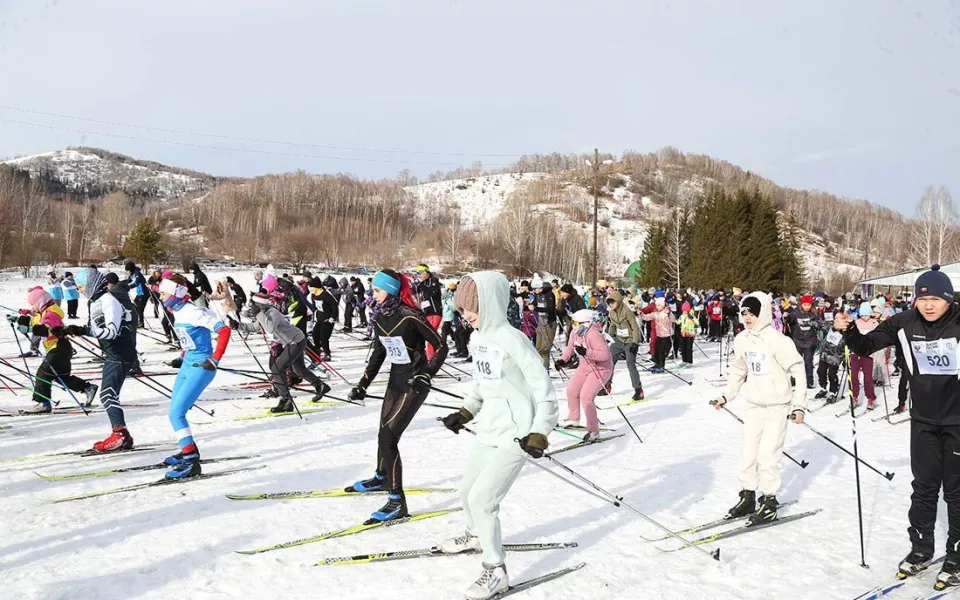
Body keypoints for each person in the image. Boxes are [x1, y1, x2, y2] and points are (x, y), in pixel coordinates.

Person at [835, 266, 960, 585]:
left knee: (957, 493)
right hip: (923, 421)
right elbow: (864, 346)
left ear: (948, 299)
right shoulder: (903, 323)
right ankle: (921, 550)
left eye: (935, 298)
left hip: (959, 422)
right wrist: (849, 330)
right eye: (923, 299)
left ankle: (957, 554)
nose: (929, 305)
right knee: (924, 488)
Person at [438, 272, 558, 600]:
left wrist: (540, 430)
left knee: (483, 499)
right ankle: (475, 535)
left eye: (472, 308)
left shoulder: (513, 338)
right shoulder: (478, 339)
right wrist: (466, 411)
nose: (467, 315)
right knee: (466, 492)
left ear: (490, 304)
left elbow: (542, 385)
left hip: (517, 433)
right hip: (489, 427)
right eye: (462, 310)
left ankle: (496, 570)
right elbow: (481, 382)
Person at [346, 269, 447, 522]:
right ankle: (381, 477)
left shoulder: (410, 316)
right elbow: (379, 354)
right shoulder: (381, 317)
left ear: (390, 290)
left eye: (377, 290)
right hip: (395, 380)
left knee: (389, 437)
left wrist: (428, 373)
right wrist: (362, 384)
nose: (373, 294)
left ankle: (396, 502)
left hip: (415, 382)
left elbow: (442, 346)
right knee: (383, 431)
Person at [713, 292, 807, 525]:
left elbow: (798, 370)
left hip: (777, 405)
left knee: (768, 455)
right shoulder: (742, 339)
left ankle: (769, 501)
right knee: (748, 454)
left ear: (763, 313)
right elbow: (738, 370)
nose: (747, 317)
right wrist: (727, 395)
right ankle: (748, 496)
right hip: (754, 403)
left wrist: (799, 405)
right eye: (744, 313)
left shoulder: (778, 340)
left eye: (752, 313)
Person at [158, 275, 231, 479]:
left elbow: (224, 330)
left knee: (176, 414)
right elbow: (191, 338)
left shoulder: (192, 311)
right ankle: (188, 450)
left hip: (202, 366)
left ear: (175, 293)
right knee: (175, 409)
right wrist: (182, 355)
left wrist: (215, 358)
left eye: (164, 293)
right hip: (189, 363)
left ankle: (191, 463)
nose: (161, 297)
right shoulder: (178, 310)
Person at [64, 267, 138, 452]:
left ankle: (120, 435)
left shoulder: (108, 301)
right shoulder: (95, 301)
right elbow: (95, 328)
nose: (78, 289)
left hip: (120, 353)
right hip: (113, 354)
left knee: (107, 395)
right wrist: (74, 330)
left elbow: (111, 332)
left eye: (81, 286)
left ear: (91, 284)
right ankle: (122, 435)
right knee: (108, 394)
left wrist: (84, 331)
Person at [230, 293, 330, 412]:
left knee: (277, 369)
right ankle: (320, 386)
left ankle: (286, 400)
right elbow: (255, 327)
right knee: (299, 370)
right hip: (291, 342)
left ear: (260, 305)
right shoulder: (264, 314)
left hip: (296, 341)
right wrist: (238, 325)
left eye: (253, 305)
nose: (251, 308)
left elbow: (270, 328)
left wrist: (258, 314)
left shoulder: (273, 313)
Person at [555, 309, 612, 441]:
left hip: (600, 369)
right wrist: (562, 360)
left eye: (576, 322)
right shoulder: (576, 332)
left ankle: (593, 431)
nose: (573, 325)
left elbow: (604, 355)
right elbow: (570, 348)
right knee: (572, 390)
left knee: (586, 397)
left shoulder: (593, 334)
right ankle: (573, 418)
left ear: (585, 323)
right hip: (585, 366)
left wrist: (587, 352)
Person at [604, 291, 643, 400]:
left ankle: (638, 390)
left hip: (630, 340)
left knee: (630, 365)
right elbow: (612, 325)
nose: (611, 304)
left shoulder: (627, 311)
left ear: (619, 301)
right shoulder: (612, 313)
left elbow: (635, 327)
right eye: (609, 303)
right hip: (618, 340)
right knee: (610, 362)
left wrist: (635, 343)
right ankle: (607, 385)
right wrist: (608, 337)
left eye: (613, 302)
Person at [784, 293, 821, 390]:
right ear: (801, 305)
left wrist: (815, 324)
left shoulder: (814, 313)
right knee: (796, 361)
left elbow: (820, 324)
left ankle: (809, 381)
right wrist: (786, 317)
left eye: (808, 305)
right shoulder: (796, 312)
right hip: (798, 340)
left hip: (810, 341)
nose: (807, 307)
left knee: (808, 361)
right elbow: (789, 321)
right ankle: (794, 378)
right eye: (805, 305)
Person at [850, 302, 879, 410]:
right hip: (855, 354)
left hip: (867, 355)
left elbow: (877, 338)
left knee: (868, 378)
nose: (864, 318)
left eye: (866, 315)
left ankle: (871, 398)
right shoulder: (856, 322)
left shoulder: (874, 323)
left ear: (870, 314)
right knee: (854, 377)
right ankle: (854, 396)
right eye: (862, 315)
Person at [414, 264, 444, 359]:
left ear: (426, 272)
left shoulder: (433, 280)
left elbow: (433, 293)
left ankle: (431, 358)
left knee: (431, 335)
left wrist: (423, 287)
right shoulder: (422, 283)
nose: (419, 275)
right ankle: (428, 356)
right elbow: (415, 293)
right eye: (418, 273)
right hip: (426, 312)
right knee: (426, 335)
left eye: (420, 273)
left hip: (435, 312)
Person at [641, 291, 673, 371]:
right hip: (659, 334)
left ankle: (661, 366)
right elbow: (646, 317)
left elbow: (673, 320)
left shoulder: (667, 312)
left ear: (662, 305)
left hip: (666, 335)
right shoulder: (656, 313)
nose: (657, 307)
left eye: (659, 305)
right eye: (657, 305)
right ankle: (657, 364)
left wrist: (669, 314)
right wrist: (640, 314)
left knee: (661, 351)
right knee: (656, 350)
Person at [308, 277, 338, 360]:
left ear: (316, 287)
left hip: (328, 319)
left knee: (323, 337)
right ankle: (318, 349)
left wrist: (333, 317)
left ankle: (327, 354)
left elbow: (335, 306)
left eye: (311, 287)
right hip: (320, 318)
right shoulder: (313, 295)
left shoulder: (325, 295)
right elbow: (315, 307)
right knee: (315, 334)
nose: (310, 289)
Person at [125, 261, 149, 327]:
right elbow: (127, 281)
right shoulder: (132, 274)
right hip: (139, 293)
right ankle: (135, 321)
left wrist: (129, 287)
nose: (128, 272)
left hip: (144, 293)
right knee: (134, 307)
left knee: (140, 309)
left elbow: (137, 283)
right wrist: (121, 284)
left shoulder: (137, 273)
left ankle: (141, 323)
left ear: (131, 269)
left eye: (128, 270)